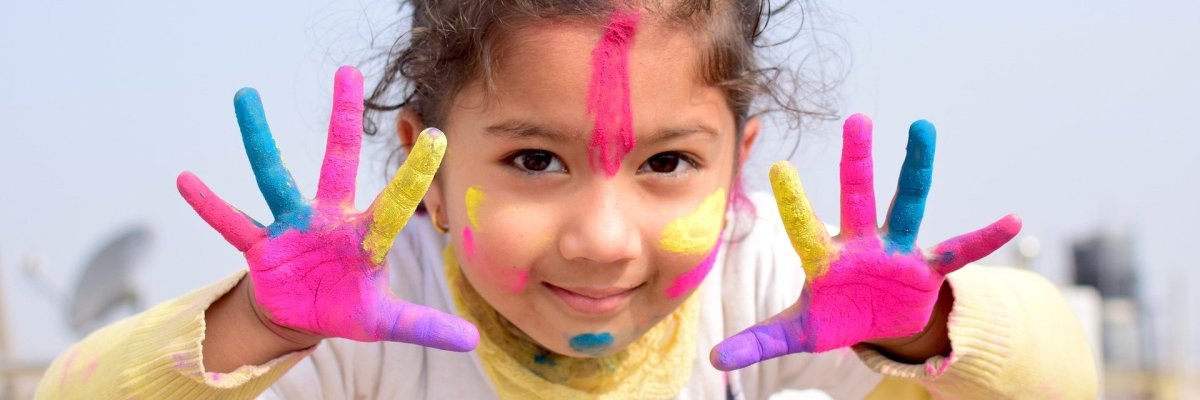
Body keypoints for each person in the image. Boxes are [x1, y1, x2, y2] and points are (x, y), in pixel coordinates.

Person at [35, 1, 1097, 399]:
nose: (601, 238)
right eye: (536, 162)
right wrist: (258, 325)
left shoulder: (772, 280)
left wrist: (922, 332)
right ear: (430, 172)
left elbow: (1069, 372)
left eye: (668, 164)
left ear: (739, 165)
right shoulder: (358, 312)